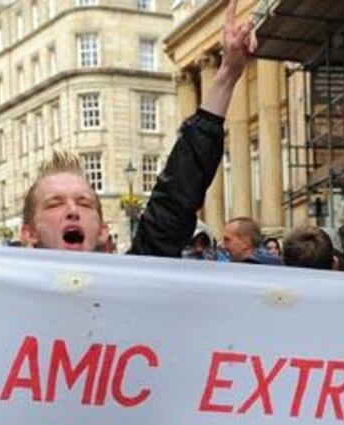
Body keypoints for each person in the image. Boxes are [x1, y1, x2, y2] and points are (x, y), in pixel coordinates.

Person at [20, 0, 255, 257]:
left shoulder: (133, 278)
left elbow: (175, 198)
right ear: (28, 233)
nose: (73, 210)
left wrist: (227, 75)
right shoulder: (2, 295)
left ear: (101, 229)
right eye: (54, 204)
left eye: (85, 203)